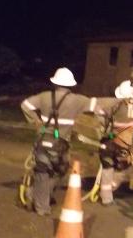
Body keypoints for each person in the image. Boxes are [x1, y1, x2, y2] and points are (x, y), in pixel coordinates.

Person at [20, 67, 90, 216]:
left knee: (42, 172)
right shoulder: (78, 100)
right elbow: (98, 105)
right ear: (71, 84)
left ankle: (36, 196)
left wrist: (37, 122)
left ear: (55, 83)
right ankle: (41, 206)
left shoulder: (44, 96)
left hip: (43, 140)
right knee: (60, 170)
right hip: (61, 145)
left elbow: (25, 105)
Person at [96, 80, 133, 206]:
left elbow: (98, 111)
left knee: (107, 168)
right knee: (123, 168)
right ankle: (111, 187)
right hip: (122, 147)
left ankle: (106, 197)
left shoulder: (113, 106)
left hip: (108, 143)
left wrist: (103, 123)